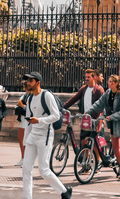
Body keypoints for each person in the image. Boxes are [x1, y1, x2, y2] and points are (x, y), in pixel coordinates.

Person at [20, 71, 72, 199]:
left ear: (38, 83)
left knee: (43, 170)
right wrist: (25, 141)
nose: (28, 83)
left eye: (31, 81)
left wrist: (39, 120)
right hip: (32, 136)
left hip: (45, 136)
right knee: (26, 168)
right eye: (27, 80)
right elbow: (28, 122)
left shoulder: (46, 96)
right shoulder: (29, 98)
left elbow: (56, 116)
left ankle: (64, 191)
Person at [86, 74, 120, 181]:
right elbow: (99, 103)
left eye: (111, 81)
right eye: (108, 81)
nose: (108, 83)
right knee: (115, 147)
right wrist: (88, 111)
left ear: (116, 83)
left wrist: (111, 117)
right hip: (113, 123)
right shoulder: (108, 93)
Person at [64, 69, 104, 149]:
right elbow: (73, 99)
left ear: (94, 77)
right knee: (83, 142)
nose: (86, 79)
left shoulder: (99, 90)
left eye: (88, 77)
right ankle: (84, 156)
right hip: (85, 119)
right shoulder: (83, 89)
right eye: (86, 77)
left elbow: (102, 106)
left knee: (96, 145)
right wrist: (62, 107)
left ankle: (97, 157)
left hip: (95, 120)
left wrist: (100, 120)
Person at [15, 78, 28, 167]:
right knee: (21, 138)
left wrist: (22, 106)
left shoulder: (32, 96)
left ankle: (26, 159)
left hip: (28, 120)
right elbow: (18, 103)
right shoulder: (24, 95)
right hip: (22, 118)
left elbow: (31, 108)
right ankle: (23, 157)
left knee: (26, 140)